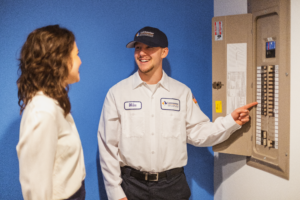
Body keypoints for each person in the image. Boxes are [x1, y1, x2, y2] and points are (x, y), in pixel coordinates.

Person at [98, 26, 257, 200]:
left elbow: (198, 133)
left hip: (172, 187)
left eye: (149, 47)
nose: (142, 53)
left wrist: (231, 122)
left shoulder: (181, 92)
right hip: (131, 187)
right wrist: (115, 193)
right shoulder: (117, 93)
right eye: (138, 48)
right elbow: (108, 146)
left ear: (164, 52)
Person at [16, 25, 86, 200]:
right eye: (76, 54)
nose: (80, 61)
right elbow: (37, 188)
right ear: (59, 59)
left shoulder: (54, 103)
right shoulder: (43, 111)